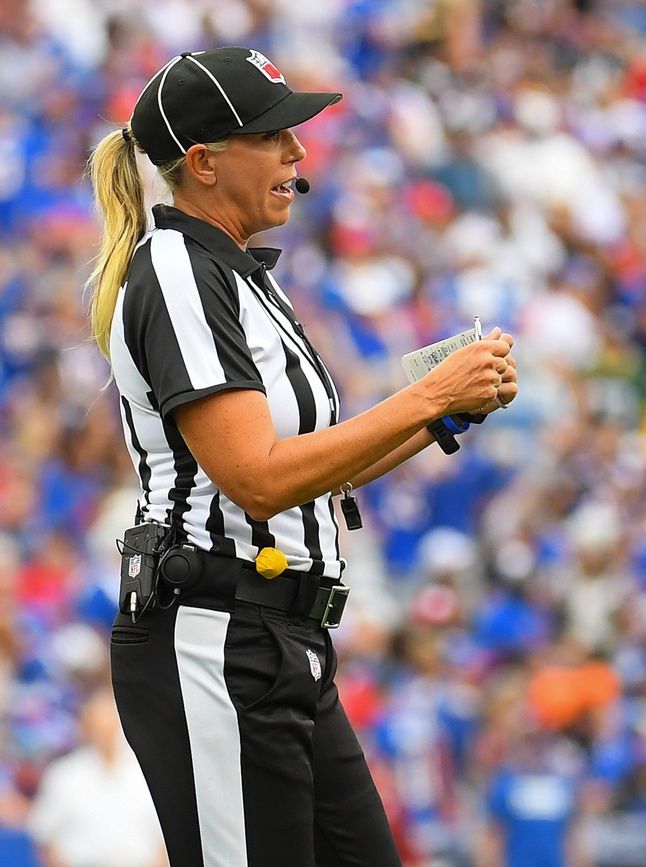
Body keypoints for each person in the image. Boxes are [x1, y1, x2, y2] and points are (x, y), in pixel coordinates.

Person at [85, 47, 517, 866]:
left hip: (278, 639)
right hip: (214, 633)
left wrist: (443, 415)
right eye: (273, 135)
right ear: (204, 162)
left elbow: (313, 474)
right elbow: (254, 477)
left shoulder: (240, 276)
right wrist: (426, 397)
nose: (298, 153)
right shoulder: (176, 265)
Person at [27, 689, 166, 867]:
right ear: (86, 727)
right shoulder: (64, 775)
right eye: (99, 725)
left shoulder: (146, 775)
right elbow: (44, 837)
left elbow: (163, 840)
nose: (105, 732)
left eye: (111, 724)